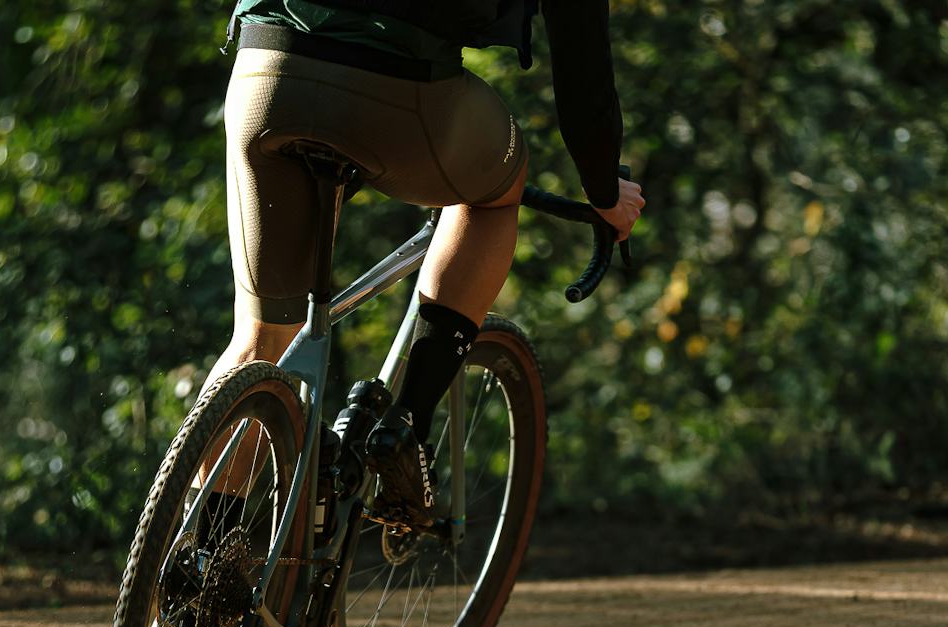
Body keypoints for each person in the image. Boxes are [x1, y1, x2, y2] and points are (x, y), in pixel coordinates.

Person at [206, 0, 645, 518]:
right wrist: (602, 190)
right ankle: (405, 425)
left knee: (259, 338)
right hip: (402, 88)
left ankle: (194, 557)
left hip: (268, 73)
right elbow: (582, 58)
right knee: (496, 191)